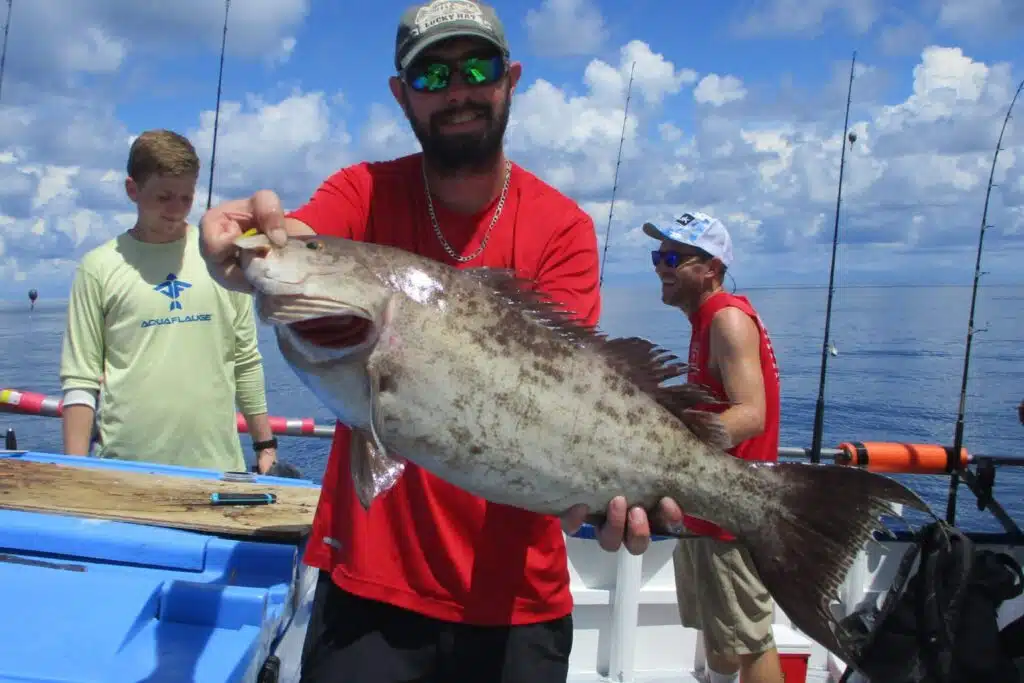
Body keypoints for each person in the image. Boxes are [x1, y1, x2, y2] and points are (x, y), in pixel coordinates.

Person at [198, 2, 683, 681]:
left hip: (518, 606)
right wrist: (242, 240)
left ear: (510, 79)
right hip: (367, 594)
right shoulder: (361, 192)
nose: (458, 91)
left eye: (477, 67)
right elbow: (295, 241)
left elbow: (577, 398)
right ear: (402, 94)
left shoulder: (562, 227)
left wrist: (619, 491)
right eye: (431, 74)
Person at [59, 129, 280, 474]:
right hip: (123, 471)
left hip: (220, 470)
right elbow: (80, 381)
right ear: (132, 189)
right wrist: (73, 472)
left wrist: (265, 446)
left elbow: (246, 359)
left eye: (186, 198)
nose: (176, 210)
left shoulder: (221, 259)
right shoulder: (97, 268)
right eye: (164, 197)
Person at [643, 211, 785, 683]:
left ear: (711, 268)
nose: (661, 266)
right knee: (721, 631)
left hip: (732, 507)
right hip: (708, 503)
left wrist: (677, 453)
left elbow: (751, 414)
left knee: (749, 639)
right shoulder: (703, 319)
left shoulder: (726, 319)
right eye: (657, 256)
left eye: (673, 257)